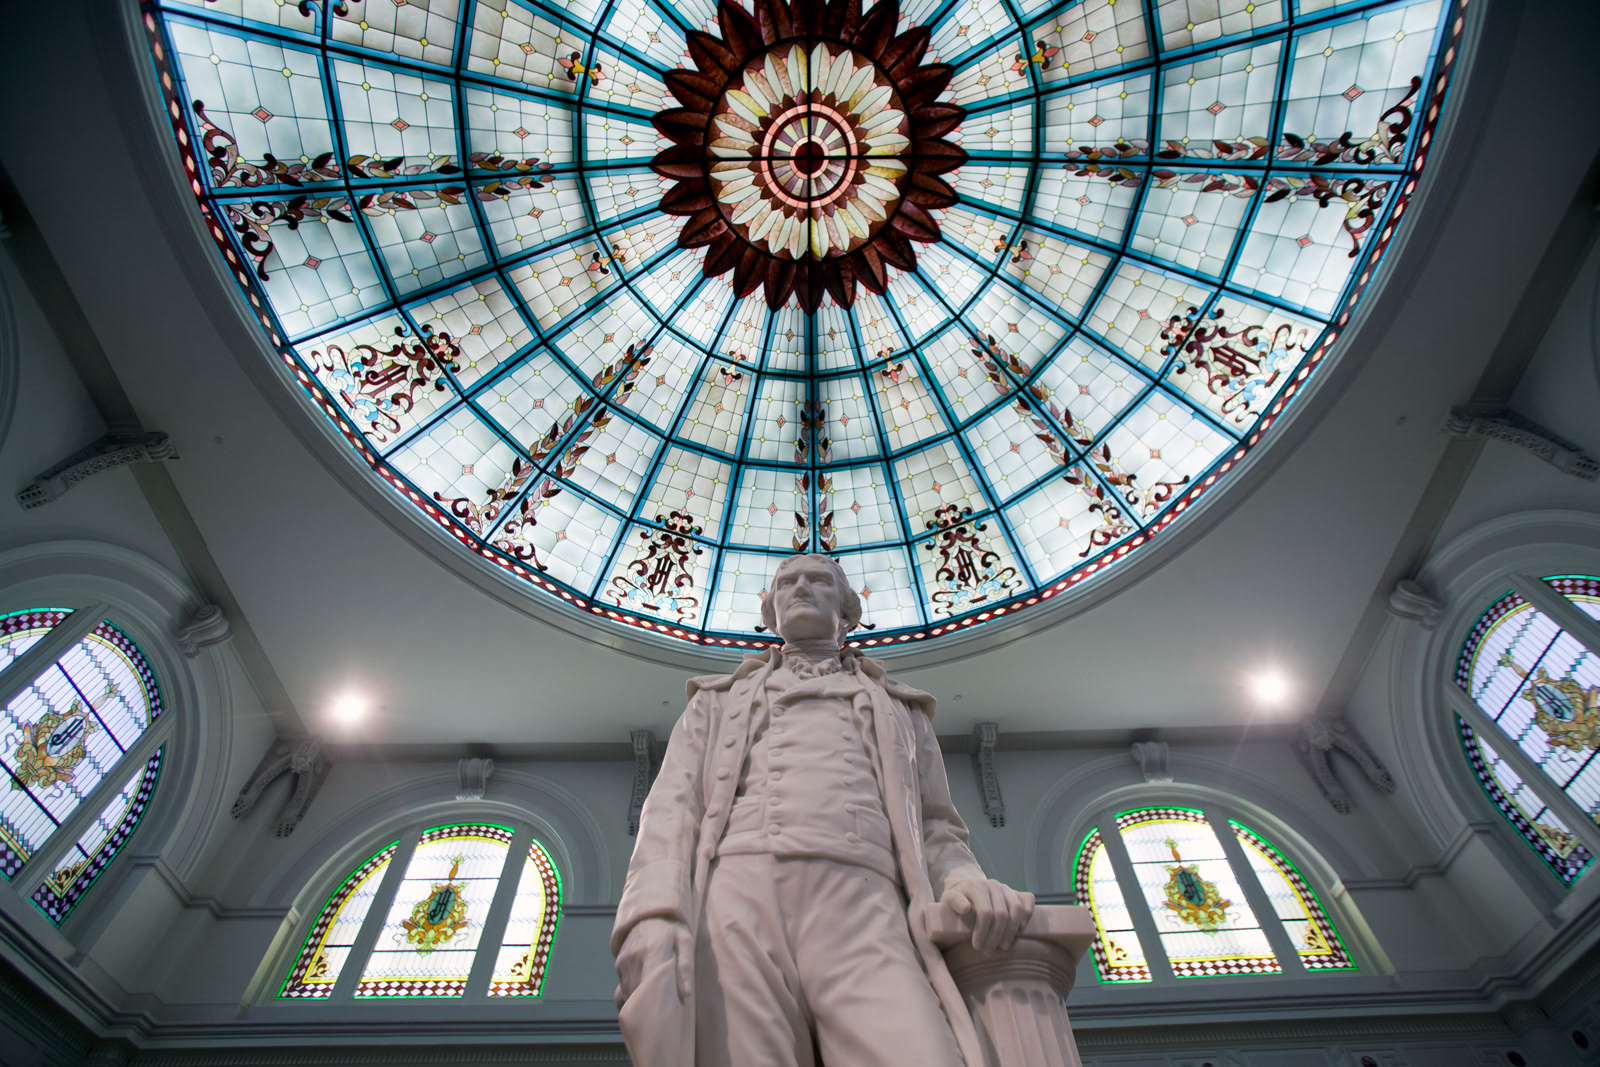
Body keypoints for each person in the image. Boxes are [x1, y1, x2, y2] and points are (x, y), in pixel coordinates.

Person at [612, 553, 1034, 1067]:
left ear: (849, 611)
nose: (801, 588)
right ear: (770, 610)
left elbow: (936, 826)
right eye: (786, 582)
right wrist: (654, 913)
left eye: (818, 580)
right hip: (737, 897)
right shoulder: (714, 702)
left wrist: (964, 879)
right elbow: (672, 810)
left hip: (864, 900)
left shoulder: (902, 710)